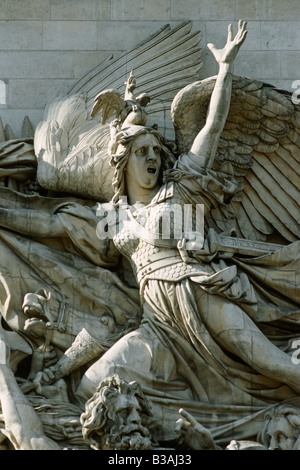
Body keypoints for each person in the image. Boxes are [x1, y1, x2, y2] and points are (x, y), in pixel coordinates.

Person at [0, 21, 300, 443]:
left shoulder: (182, 189)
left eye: (157, 151)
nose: (153, 158)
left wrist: (226, 68)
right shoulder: (112, 217)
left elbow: (212, 129)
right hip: (156, 322)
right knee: (91, 386)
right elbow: (50, 224)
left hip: (199, 295)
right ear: (124, 163)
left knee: (273, 366)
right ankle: (170, 435)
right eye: (142, 152)